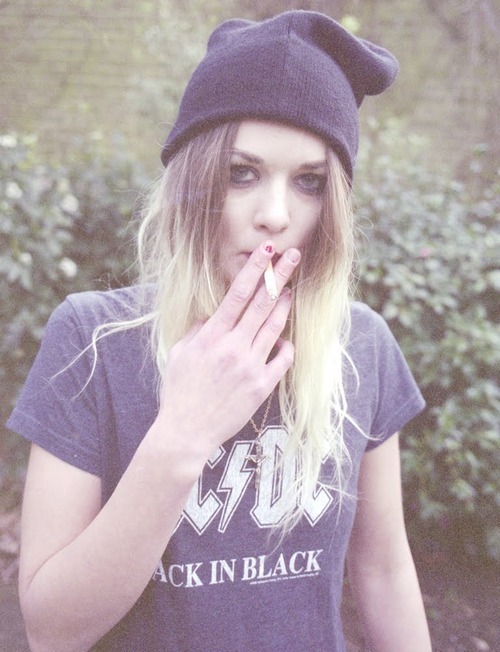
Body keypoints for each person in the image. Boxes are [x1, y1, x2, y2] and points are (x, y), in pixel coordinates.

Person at [7, 10, 432, 652]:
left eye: (310, 182)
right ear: (193, 181)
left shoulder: (361, 344)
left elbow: (384, 570)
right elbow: (51, 630)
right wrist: (181, 433)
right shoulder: (94, 340)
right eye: (241, 172)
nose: (274, 214)